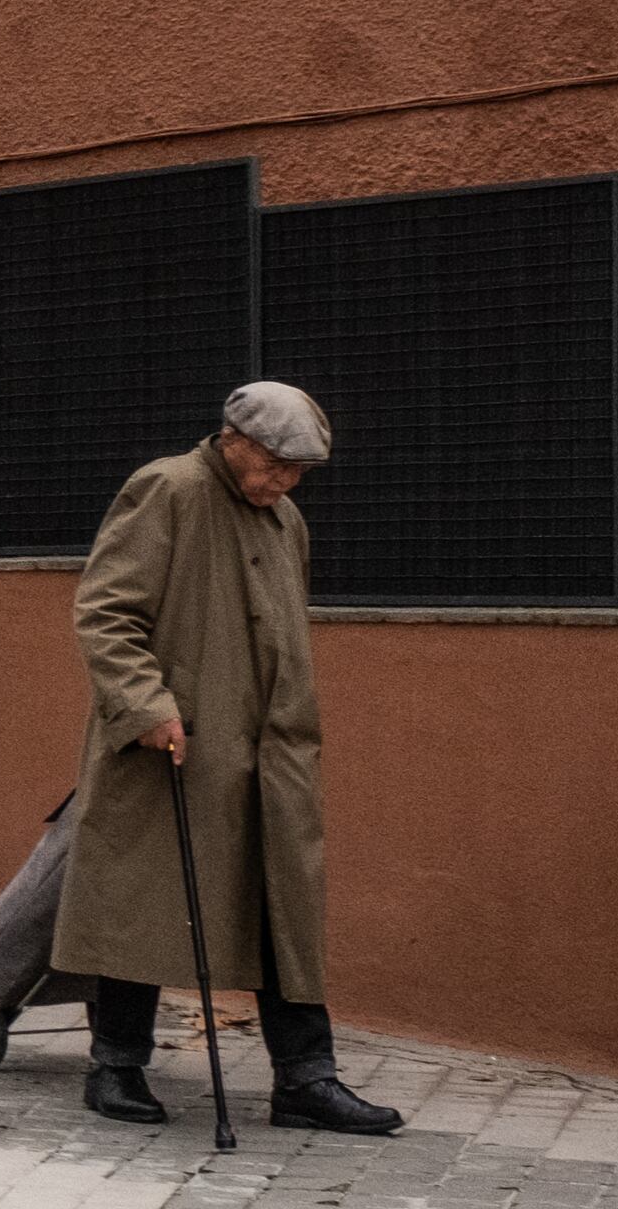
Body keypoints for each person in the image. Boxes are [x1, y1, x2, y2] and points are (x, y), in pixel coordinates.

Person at [47, 380, 404, 1136]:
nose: (285, 481)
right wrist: (145, 705)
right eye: (276, 464)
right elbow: (105, 612)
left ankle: (306, 1080)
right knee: (142, 898)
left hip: (272, 752)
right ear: (234, 438)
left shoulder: (285, 520)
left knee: (286, 909)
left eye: (297, 472)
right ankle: (114, 1065)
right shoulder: (167, 488)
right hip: (175, 745)